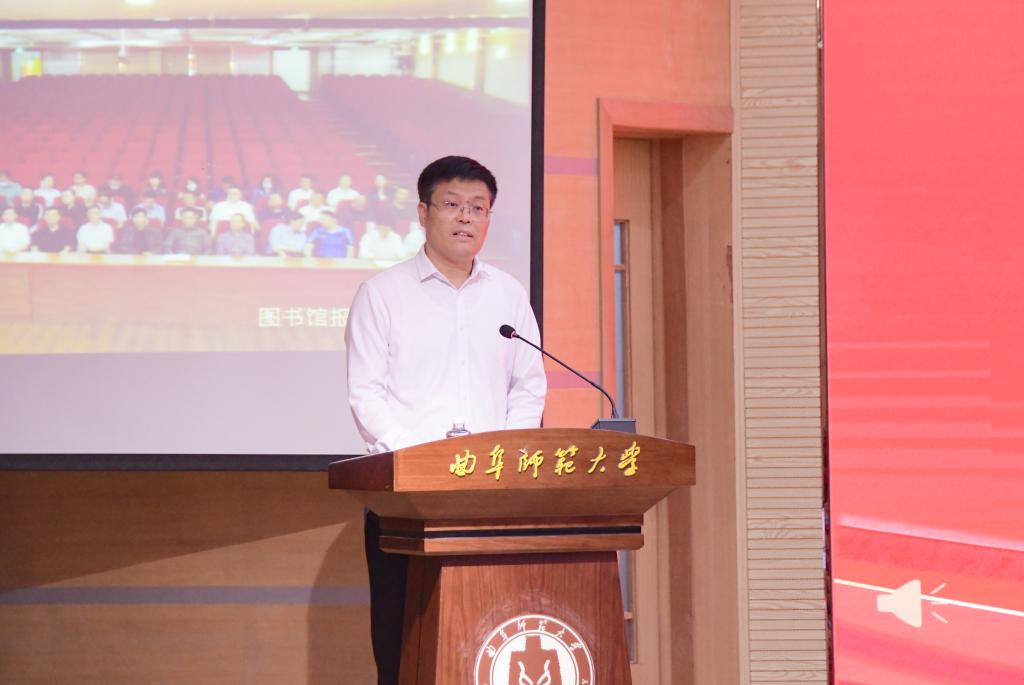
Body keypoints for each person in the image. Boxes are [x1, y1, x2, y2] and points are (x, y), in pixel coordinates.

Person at [345, 156, 546, 685]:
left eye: (478, 208)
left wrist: (503, 457)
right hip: (406, 503)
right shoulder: (382, 294)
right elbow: (366, 394)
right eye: (453, 205)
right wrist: (423, 462)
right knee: (406, 645)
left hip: (489, 500)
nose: (466, 218)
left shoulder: (507, 294)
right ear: (423, 213)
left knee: (488, 639)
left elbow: (528, 386)